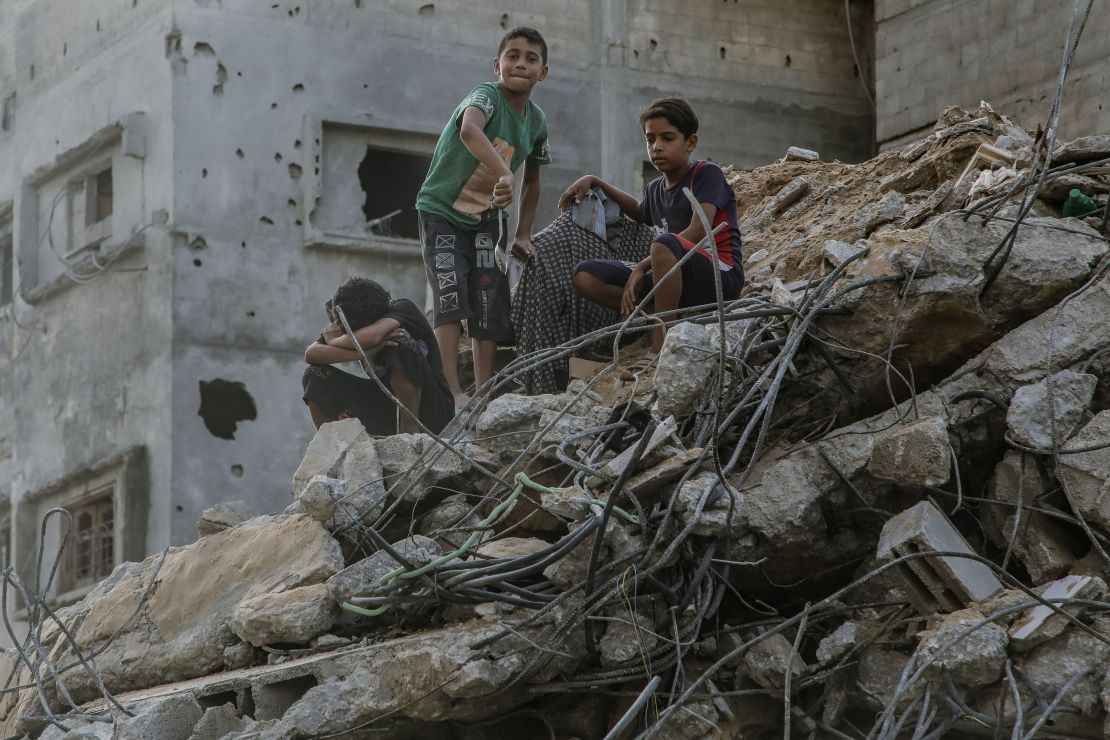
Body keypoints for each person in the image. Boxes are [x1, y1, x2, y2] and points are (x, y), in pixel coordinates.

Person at [415, 26, 552, 409]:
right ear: (497, 64)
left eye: (530, 58)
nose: (520, 63)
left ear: (543, 72)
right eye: (512, 55)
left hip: (487, 218)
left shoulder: (537, 122)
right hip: (441, 211)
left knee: (488, 296)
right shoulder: (485, 96)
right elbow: (469, 129)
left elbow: (535, 181)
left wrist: (523, 233)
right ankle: (452, 394)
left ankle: (484, 390)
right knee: (450, 294)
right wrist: (505, 173)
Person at [559, 97, 744, 353]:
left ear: (691, 142)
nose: (656, 147)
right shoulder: (655, 188)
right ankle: (666, 315)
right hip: (669, 275)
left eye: (667, 138)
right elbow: (640, 211)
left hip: (718, 274)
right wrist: (595, 182)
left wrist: (642, 267)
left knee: (662, 245)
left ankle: (660, 346)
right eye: (650, 139)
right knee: (585, 275)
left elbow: (699, 230)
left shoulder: (706, 174)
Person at [302, 277, 454, 436]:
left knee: (397, 342)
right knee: (314, 374)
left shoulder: (401, 307)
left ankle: (409, 430)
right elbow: (312, 354)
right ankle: (332, 444)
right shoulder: (344, 315)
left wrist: (334, 340)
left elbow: (373, 336)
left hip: (432, 412)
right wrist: (367, 352)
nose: (339, 330)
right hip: (386, 409)